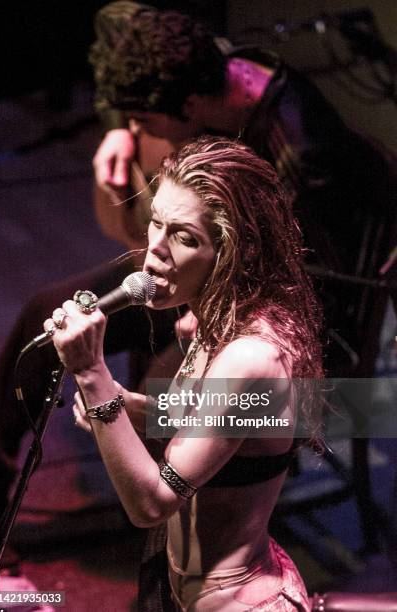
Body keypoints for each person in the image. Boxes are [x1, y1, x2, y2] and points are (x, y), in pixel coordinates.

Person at [0, 1, 393, 526]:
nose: (138, 127)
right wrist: (120, 130)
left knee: (171, 394)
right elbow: (114, 15)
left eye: (144, 119)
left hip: (260, 302)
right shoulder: (217, 65)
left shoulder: (301, 155)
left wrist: (218, 315)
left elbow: (316, 287)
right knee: (46, 310)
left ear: (194, 103)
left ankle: (182, 540)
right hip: (196, 268)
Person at [44, 137, 322, 611]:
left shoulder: (251, 357)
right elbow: (223, 421)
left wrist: (93, 374)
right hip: (178, 586)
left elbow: (152, 504)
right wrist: (134, 408)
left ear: (235, 253)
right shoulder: (214, 319)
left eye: (185, 237)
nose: (154, 253)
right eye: (156, 221)